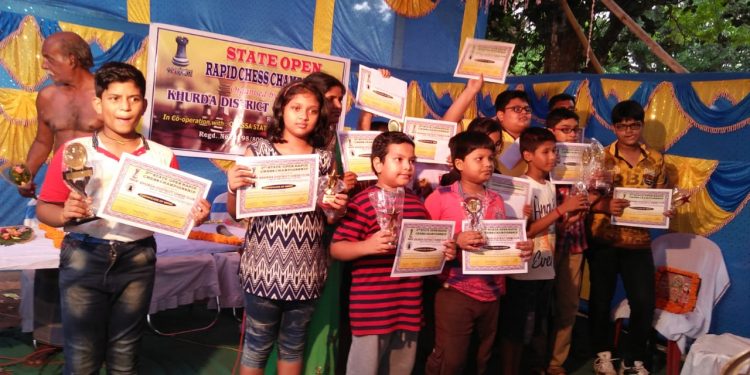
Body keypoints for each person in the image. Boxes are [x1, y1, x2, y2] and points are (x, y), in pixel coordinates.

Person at [35, 62, 210, 374]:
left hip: (137, 258)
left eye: (133, 98)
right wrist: (63, 214)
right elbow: (44, 208)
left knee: (125, 354)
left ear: (143, 104)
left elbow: (176, 210)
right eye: (115, 98)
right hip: (83, 256)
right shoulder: (76, 151)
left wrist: (194, 215)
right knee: (82, 358)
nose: (125, 107)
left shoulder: (161, 156)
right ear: (98, 104)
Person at [226, 80, 349, 375]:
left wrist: (337, 208)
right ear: (282, 110)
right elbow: (236, 213)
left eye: (312, 110)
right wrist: (232, 189)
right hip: (263, 268)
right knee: (257, 346)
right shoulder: (258, 152)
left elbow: (331, 216)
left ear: (320, 116)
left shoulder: (323, 158)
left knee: (294, 345)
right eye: (296, 108)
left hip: (307, 270)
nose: (303, 116)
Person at [330, 131, 456, 375]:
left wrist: (445, 251)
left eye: (411, 160)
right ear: (378, 163)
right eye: (398, 159)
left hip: (407, 307)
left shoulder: (417, 204)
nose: (408, 166)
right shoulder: (361, 203)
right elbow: (336, 248)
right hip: (371, 311)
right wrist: (367, 246)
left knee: (400, 369)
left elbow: (429, 247)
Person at [19, 32, 102, 361]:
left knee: (94, 265)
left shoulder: (106, 93)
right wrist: (26, 174)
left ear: (72, 58)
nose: (44, 65)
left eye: (49, 58)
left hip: (99, 193)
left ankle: (97, 340)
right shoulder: (47, 97)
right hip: (58, 193)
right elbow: (42, 142)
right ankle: (51, 339)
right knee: (50, 265)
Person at [424, 131, 534, 375]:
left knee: (482, 358)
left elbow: (501, 244)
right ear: (459, 164)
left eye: (490, 158)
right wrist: (455, 240)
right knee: (450, 360)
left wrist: (522, 249)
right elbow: (423, 242)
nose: (488, 164)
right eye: (480, 158)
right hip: (454, 290)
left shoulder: (496, 200)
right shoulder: (440, 197)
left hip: (492, 293)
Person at [499, 127, 587, 375]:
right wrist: (560, 211)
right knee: (515, 328)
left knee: (536, 324)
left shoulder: (548, 185)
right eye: (546, 152)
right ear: (527, 155)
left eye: (554, 151)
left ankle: (532, 366)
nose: (552, 157)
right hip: (523, 271)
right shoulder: (521, 186)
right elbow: (525, 231)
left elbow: (549, 227)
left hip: (545, 267)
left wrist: (567, 219)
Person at [588, 100, 667, 375]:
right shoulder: (600, 157)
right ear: (614, 128)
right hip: (604, 240)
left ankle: (632, 358)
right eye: (622, 126)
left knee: (644, 302)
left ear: (641, 125)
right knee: (600, 299)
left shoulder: (656, 159)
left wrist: (666, 207)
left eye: (633, 125)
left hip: (638, 243)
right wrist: (603, 205)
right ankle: (603, 354)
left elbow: (658, 198)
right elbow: (585, 198)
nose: (628, 131)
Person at [544, 109, 590, 375]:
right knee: (539, 304)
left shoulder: (587, 160)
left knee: (568, 305)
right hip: (546, 242)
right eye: (565, 129)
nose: (572, 134)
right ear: (552, 131)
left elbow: (593, 196)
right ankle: (535, 356)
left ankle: (555, 361)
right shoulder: (541, 159)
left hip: (574, 241)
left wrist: (592, 194)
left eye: (575, 129)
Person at [494, 90, 532, 177]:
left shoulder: (539, 138)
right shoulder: (491, 135)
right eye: (517, 109)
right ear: (501, 115)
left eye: (527, 109)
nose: (524, 112)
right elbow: (507, 161)